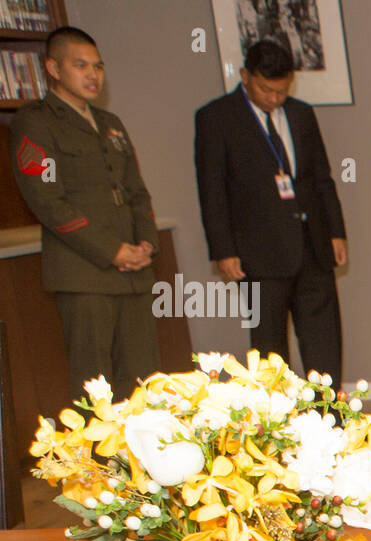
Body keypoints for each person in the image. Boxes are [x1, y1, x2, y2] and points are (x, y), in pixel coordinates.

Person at [9, 26, 160, 405]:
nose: (93, 75)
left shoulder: (111, 124)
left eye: (98, 66)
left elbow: (136, 192)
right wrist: (112, 250)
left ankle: (140, 465)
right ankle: (99, 467)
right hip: (85, 275)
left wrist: (146, 244)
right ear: (54, 69)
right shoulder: (36, 122)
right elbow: (48, 200)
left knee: (144, 384)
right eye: (81, 66)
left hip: (134, 274)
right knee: (95, 390)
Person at [194, 39, 347, 383]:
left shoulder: (301, 113)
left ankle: (331, 423)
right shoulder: (215, 118)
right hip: (257, 255)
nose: (274, 98)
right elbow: (212, 191)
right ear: (245, 75)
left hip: (313, 246)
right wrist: (224, 250)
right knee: (268, 350)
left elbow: (322, 178)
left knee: (324, 343)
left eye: (281, 90)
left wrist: (337, 230)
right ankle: (277, 428)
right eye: (266, 89)